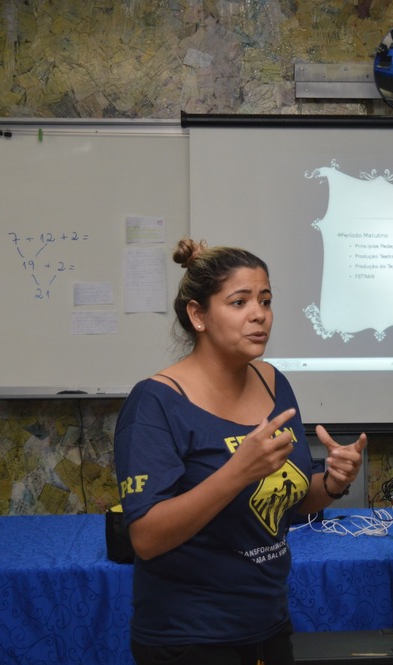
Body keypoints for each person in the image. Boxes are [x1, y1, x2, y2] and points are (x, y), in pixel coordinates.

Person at [114, 238, 367, 665]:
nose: (259, 315)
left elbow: (286, 500)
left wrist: (332, 483)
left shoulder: (272, 382)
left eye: (265, 301)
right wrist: (237, 472)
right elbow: (147, 537)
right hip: (189, 638)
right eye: (239, 302)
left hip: (268, 626)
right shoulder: (155, 402)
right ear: (198, 315)